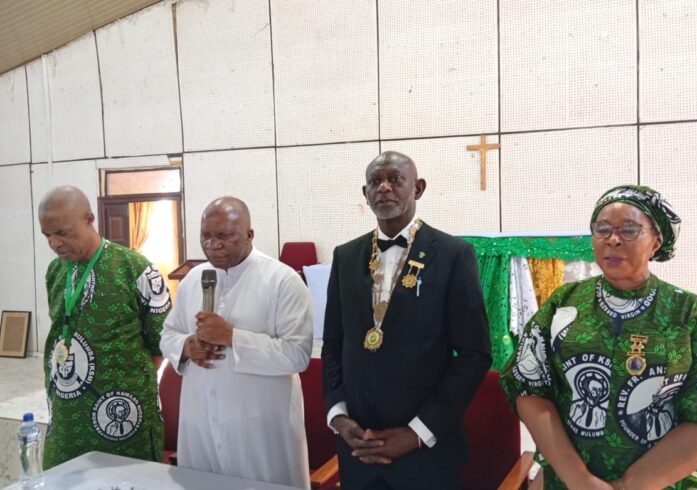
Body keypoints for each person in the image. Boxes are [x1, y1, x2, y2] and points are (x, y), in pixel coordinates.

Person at [501, 185, 697, 489]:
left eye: (629, 230)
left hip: (665, 481)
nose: (613, 239)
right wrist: (579, 479)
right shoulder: (565, 302)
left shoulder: (689, 312)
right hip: (568, 481)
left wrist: (629, 485)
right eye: (602, 229)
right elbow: (529, 386)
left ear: (656, 242)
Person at [322, 151, 492, 489]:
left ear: (418, 188)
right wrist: (338, 416)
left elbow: (475, 354)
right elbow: (333, 344)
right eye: (375, 182)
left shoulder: (453, 254)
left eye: (395, 179)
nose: (384, 188)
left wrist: (417, 432)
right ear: (365, 193)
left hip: (426, 453)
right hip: (358, 448)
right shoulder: (345, 256)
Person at [160, 196, 313, 488]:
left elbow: (297, 355)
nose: (212, 245)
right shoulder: (193, 279)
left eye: (224, 236)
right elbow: (168, 334)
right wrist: (186, 347)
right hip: (200, 424)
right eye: (206, 236)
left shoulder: (282, 281)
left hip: (259, 430)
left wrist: (231, 337)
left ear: (249, 234)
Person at [38, 185, 170, 468]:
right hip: (66, 416)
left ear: (89, 219)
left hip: (125, 416)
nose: (55, 243)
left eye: (63, 232)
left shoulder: (136, 269)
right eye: (47, 235)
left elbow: (161, 343)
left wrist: (121, 382)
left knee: (129, 480)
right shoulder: (55, 271)